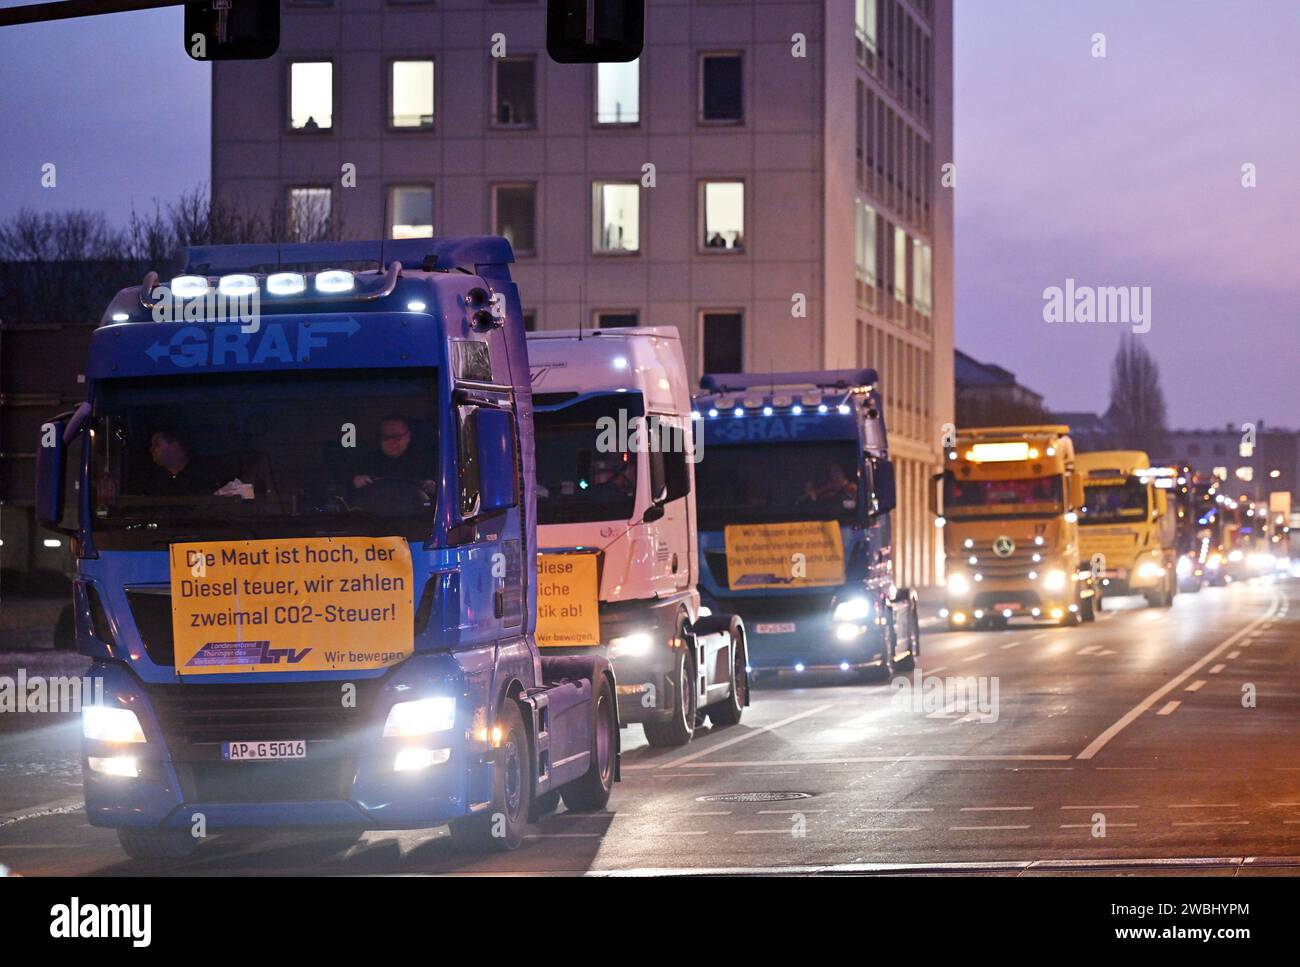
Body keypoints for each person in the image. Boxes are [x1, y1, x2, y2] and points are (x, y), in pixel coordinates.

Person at [352, 415, 435, 495]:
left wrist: (434, 489)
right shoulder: (367, 462)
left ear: (408, 436)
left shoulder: (425, 463)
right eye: (386, 437)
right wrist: (355, 483)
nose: (391, 442)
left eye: (397, 437)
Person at [144, 428, 223, 496]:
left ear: (175, 444)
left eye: (157, 444)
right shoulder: (154, 481)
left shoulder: (203, 476)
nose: (152, 449)